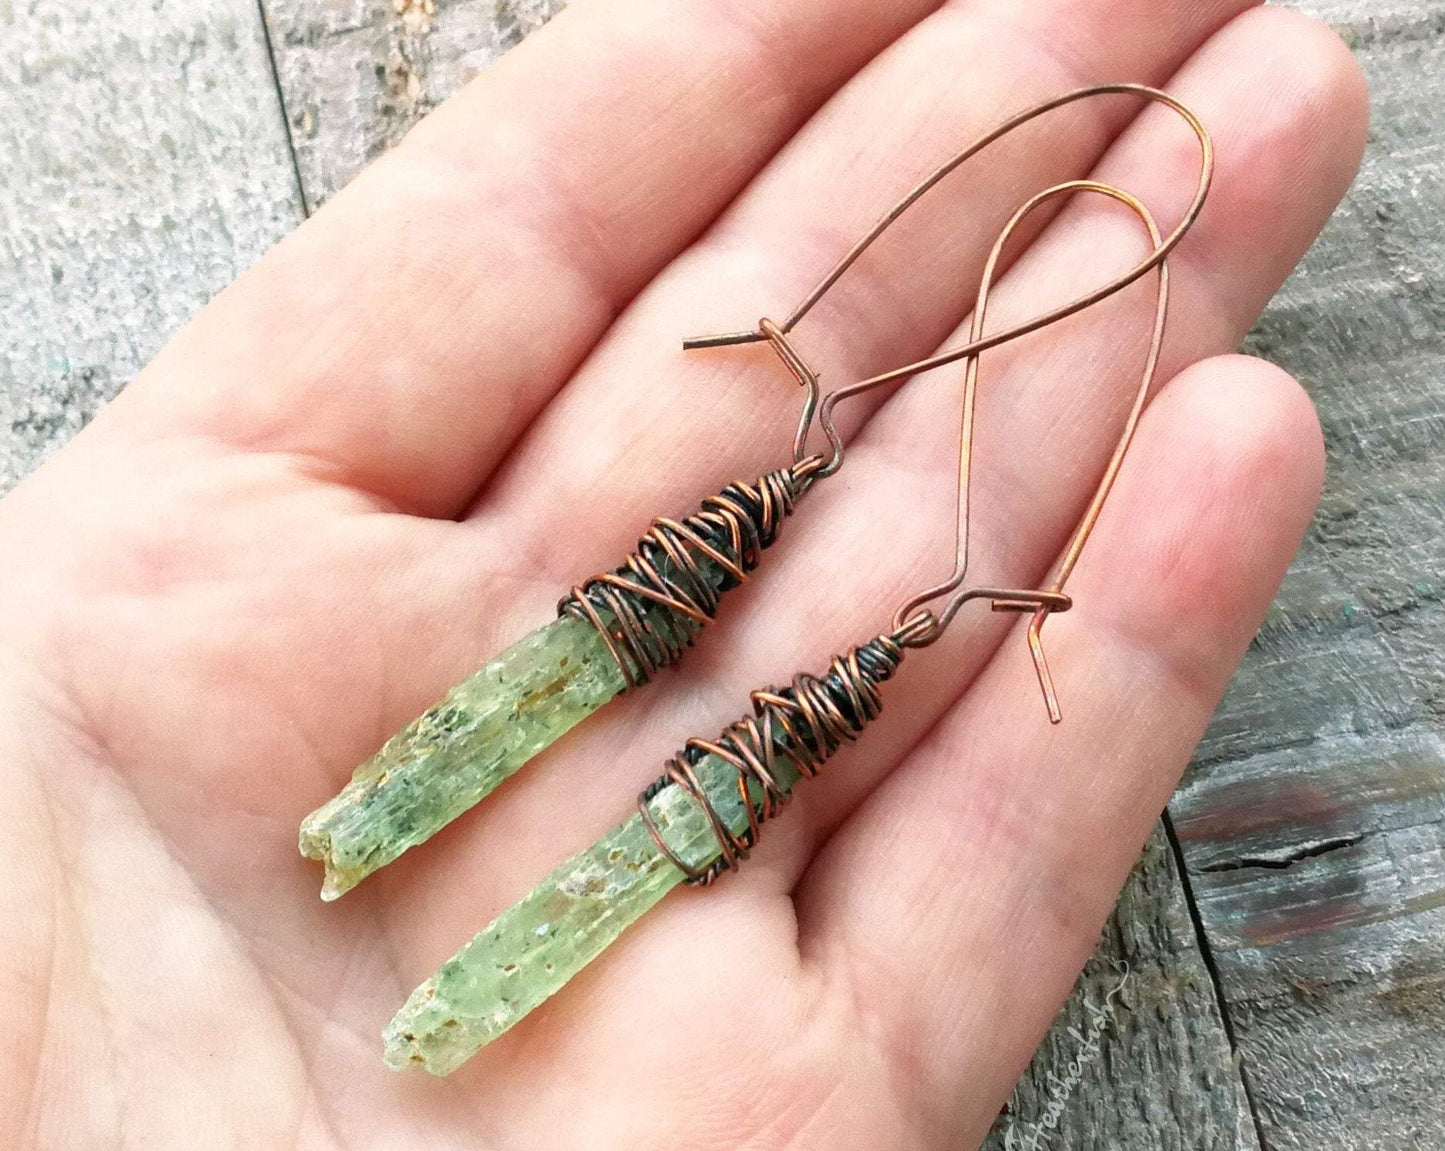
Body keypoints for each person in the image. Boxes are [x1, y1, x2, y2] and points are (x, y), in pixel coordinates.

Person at [0, 0, 1366, 1145]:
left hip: (719, 731)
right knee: (480, 760)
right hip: (660, 651)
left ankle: (389, 862)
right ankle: (364, 827)